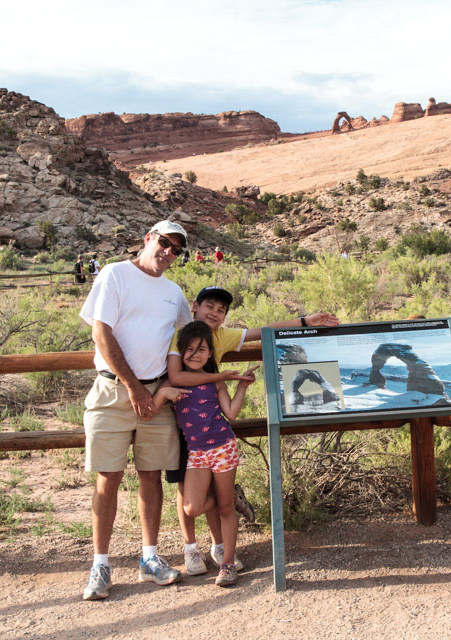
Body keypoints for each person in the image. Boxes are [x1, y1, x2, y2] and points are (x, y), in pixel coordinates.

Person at [166, 286, 339, 576]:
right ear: (195, 306)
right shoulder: (181, 336)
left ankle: (221, 549)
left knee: (215, 494)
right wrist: (220, 376)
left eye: (221, 310)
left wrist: (305, 321)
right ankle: (191, 547)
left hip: (214, 428)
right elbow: (175, 375)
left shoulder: (222, 336)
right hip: (185, 425)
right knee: (186, 491)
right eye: (209, 306)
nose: (214, 313)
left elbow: (263, 330)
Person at [79, 220, 191, 601]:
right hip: (114, 390)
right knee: (107, 477)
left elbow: (191, 338)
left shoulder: (174, 293)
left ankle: (149, 557)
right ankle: (100, 564)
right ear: (148, 239)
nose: (169, 252)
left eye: (177, 249)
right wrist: (133, 387)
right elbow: (101, 333)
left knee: (150, 475)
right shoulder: (115, 275)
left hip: (157, 392)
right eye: (165, 243)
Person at [157, 322, 258, 587]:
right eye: (189, 350)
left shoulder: (216, 381)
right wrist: (163, 393)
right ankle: (230, 497)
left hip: (223, 448)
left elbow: (231, 413)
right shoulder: (173, 381)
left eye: (201, 350)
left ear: (210, 353)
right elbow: (153, 407)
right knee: (192, 507)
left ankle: (227, 565)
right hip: (197, 453)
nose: (194, 355)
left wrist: (242, 386)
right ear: (181, 352)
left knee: (225, 510)